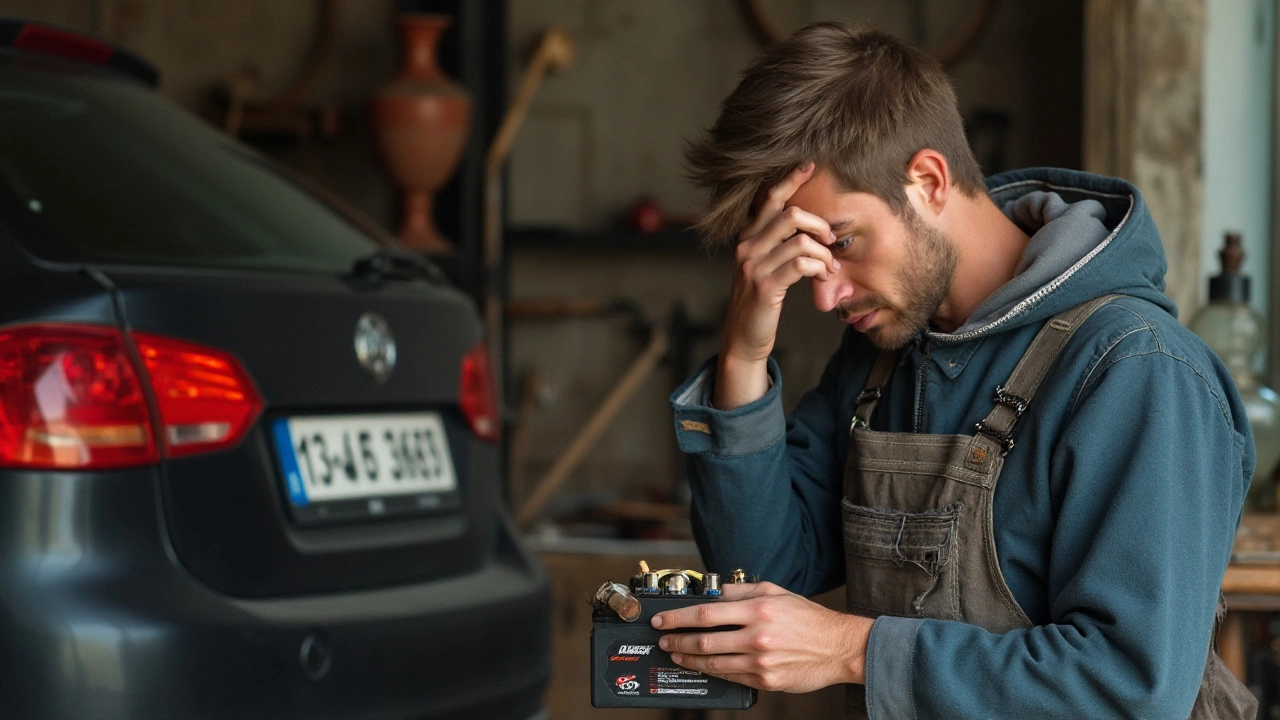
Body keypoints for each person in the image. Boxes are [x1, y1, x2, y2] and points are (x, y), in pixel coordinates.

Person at [656, 21, 1257, 719]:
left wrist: (852, 650)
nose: (824, 295)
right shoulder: (883, 356)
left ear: (929, 180)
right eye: (804, 259)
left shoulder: (1137, 371)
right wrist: (744, 353)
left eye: (843, 243)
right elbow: (765, 578)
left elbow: (1129, 688)